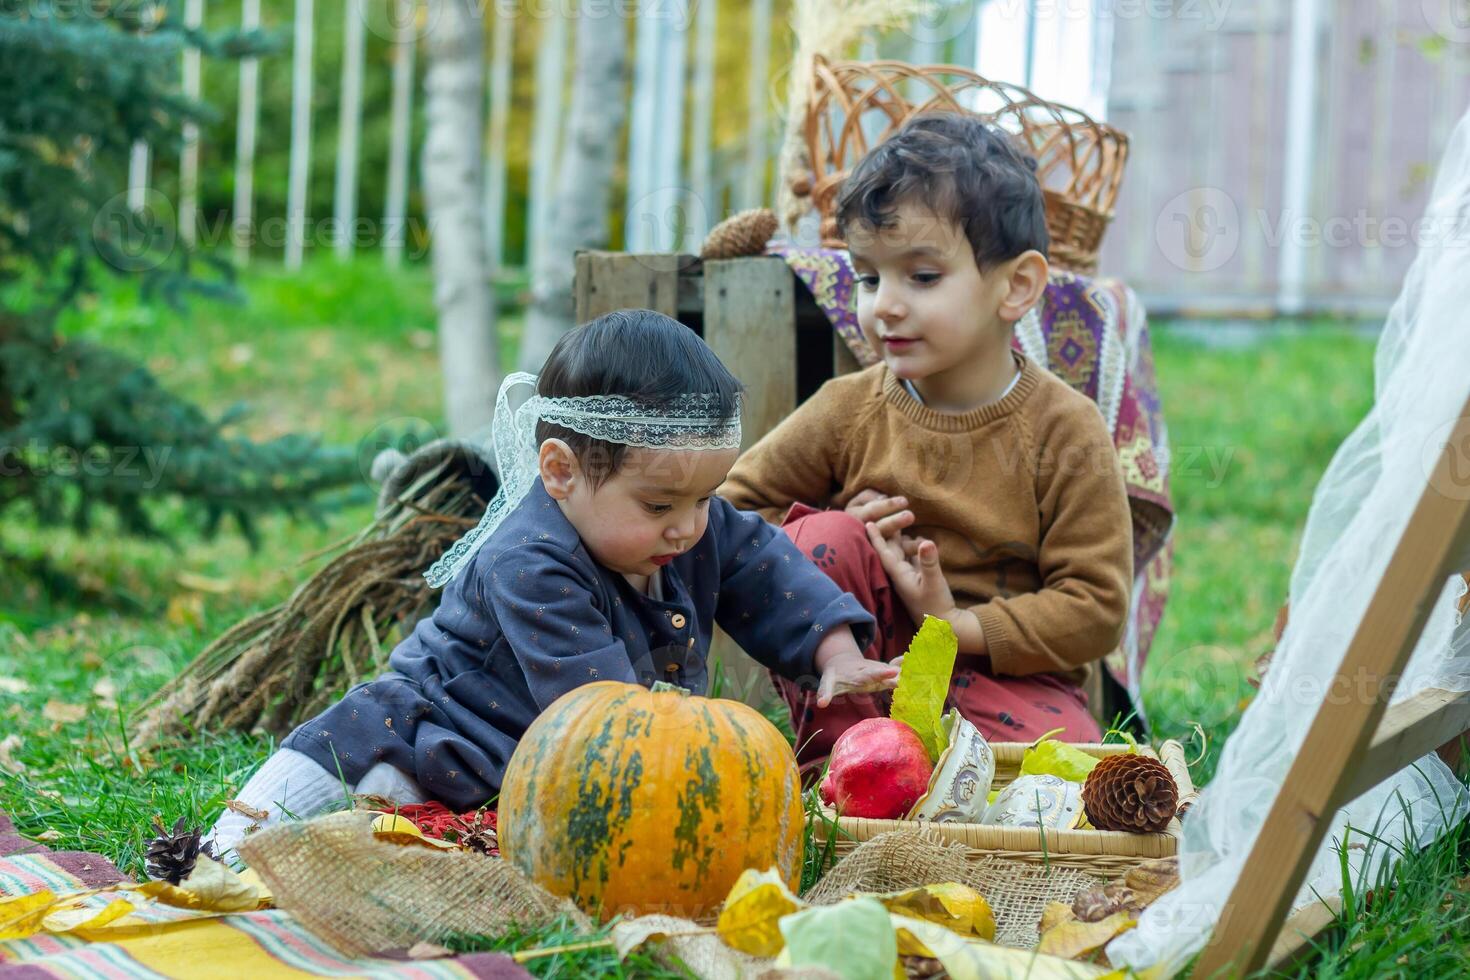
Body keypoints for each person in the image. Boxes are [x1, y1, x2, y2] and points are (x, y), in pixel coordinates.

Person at [207, 310, 896, 860]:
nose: (691, 527)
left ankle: (415, 832)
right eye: (660, 506)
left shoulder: (688, 521)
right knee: (312, 803)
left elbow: (765, 567)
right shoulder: (531, 561)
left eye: (706, 495)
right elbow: (601, 718)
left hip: (526, 773)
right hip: (429, 735)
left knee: (440, 846)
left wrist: (833, 651)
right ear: (560, 471)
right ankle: (220, 849)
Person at [720, 114, 1134, 762]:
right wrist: (835, 529)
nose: (884, 304)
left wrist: (956, 627)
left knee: (1067, 764)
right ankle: (850, 765)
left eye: (922, 277)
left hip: (1001, 679)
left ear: (1017, 286)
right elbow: (730, 516)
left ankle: (961, 772)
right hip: (868, 672)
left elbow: (1096, 606)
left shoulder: (1064, 429)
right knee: (821, 542)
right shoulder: (848, 408)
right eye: (867, 277)